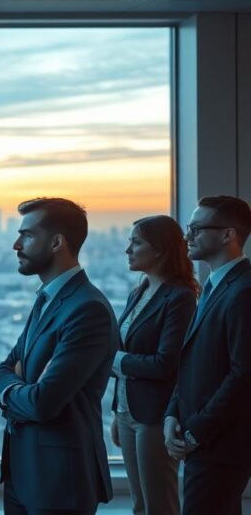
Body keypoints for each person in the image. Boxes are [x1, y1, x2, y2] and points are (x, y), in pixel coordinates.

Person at [0, 197, 116, 515]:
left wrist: (8, 392)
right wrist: (16, 382)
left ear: (57, 243)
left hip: (60, 481)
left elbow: (43, 402)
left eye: (27, 235)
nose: (15, 245)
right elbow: (5, 367)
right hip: (22, 473)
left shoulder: (87, 309)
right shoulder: (47, 299)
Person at [165, 195, 251, 515]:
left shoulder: (243, 290)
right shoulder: (214, 285)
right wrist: (173, 412)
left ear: (228, 234)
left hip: (220, 443)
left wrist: (196, 430)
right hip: (204, 438)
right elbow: (193, 360)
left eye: (197, 229)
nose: (188, 236)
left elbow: (243, 374)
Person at [110, 215, 197, 515]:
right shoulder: (139, 291)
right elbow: (128, 347)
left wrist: (116, 360)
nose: (128, 250)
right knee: (139, 505)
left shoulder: (181, 298)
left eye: (136, 242)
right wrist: (116, 412)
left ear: (159, 250)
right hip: (127, 409)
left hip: (156, 415)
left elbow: (166, 364)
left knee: (159, 506)